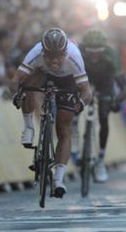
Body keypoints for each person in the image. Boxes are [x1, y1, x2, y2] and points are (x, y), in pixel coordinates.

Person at [11, 28, 93, 198]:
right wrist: (16, 96)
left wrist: (81, 103)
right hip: (44, 75)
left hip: (67, 80)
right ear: (43, 51)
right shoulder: (36, 52)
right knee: (27, 84)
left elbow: (87, 92)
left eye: (59, 56)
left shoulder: (74, 56)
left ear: (65, 52)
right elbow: (15, 79)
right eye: (50, 56)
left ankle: (58, 179)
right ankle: (29, 128)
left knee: (64, 127)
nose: (55, 61)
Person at [79, 28, 126, 182]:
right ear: (84, 48)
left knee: (104, 116)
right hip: (84, 77)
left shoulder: (111, 55)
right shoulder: (78, 53)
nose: (93, 56)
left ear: (104, 49)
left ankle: (100, 160)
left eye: (97, 52)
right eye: (90, 52)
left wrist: (117, 101)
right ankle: (73, 128)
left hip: (105, 80)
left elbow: (123, 85)